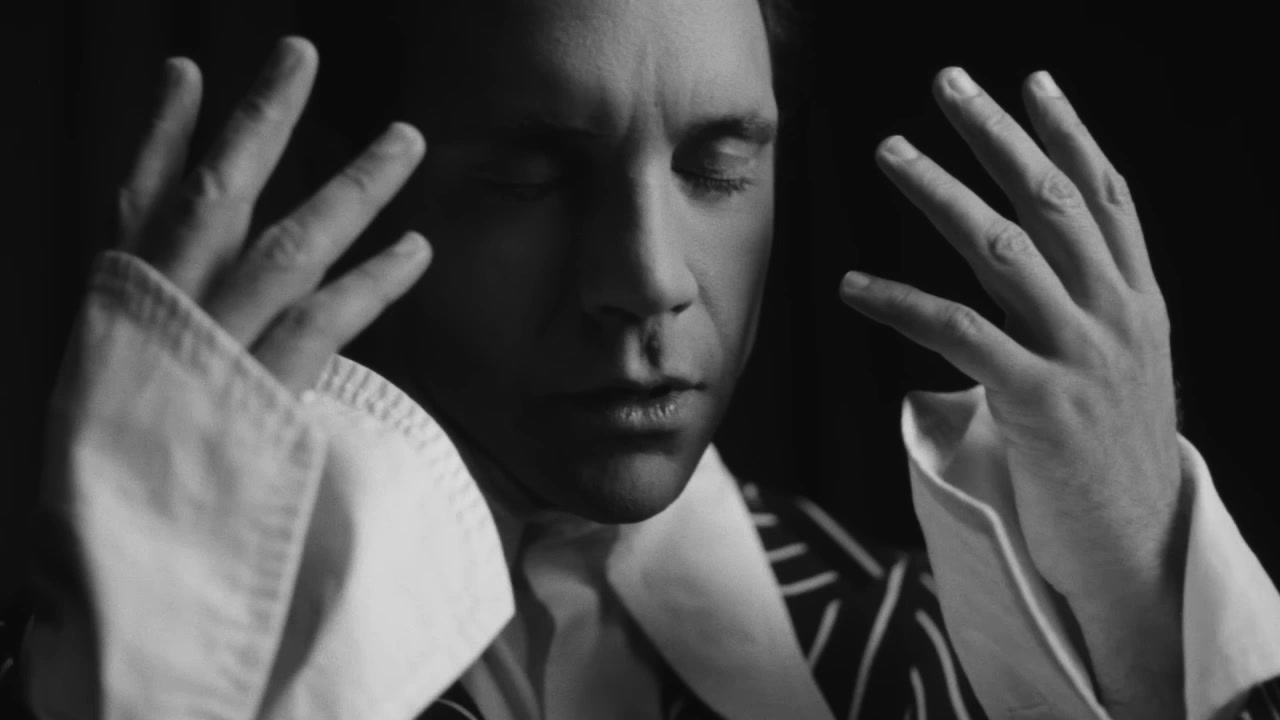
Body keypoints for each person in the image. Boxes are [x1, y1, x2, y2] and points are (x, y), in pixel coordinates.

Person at [4, 0, 1280, 718]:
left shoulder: (906, 641)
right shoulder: (133, 632)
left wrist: (1148, 594)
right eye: (532, 173)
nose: (650, 277)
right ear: (346, 176)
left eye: (718, 166)